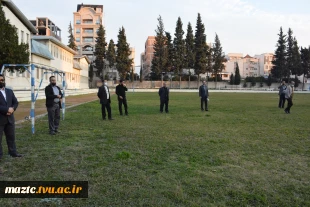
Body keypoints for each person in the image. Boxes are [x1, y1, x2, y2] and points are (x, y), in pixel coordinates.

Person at [0, 74, 22, 158]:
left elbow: (15, 102)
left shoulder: (9, 91)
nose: (1, 81)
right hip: (0, 119)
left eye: (2, 80)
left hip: (10, 119)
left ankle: (13, 152)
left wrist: (12, 109)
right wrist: (6, 110)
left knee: (11, 137)